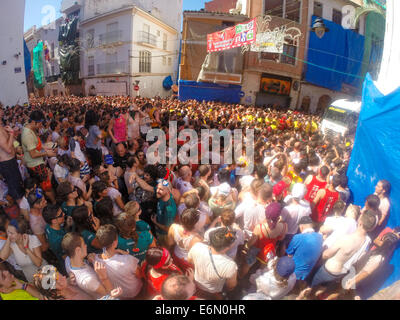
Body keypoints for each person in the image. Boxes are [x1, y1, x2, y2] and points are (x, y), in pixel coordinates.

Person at [300, 210, 376, 300]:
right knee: (323, 287)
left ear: (360, 223)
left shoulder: (346, 239)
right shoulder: (367, 241)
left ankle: (300, 297)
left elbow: (326, 255)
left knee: (309, 286)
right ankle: (314, 296)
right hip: (340, 273)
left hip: (328, 270)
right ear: (371, 228)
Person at [91, 224, 143, 299]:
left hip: (120, 295)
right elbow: (140, 274)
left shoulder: (95, 260)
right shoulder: (127, 260)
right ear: (115, 243)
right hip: (135, 292)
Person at [187, 227, 238, 300]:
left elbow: (189, 261)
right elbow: (231, 285)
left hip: (197, 284)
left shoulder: (197, 247)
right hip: (213, 291)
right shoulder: (230, 265)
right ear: (228, 247)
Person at [62, 232, 114, 299]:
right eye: (84, 244)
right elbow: (109, 294)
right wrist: (104, 277)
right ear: (78, 250)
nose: (86, 246)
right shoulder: (88, 280)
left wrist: (90, 262)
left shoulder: (68, 260)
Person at [21, 110, 57, 203]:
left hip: (36, 163)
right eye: (40, 123)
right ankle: (54, 203)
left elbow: (36, 146)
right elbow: (33, 154)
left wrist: (45, 148)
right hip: (36, 165)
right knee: (47, 187)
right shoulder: (28, 135)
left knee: (43, 185)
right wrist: (47, 153)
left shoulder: (28, 126)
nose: (41, 126)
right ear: (34, 122)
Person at [0, 217, 46, 282]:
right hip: (32, 279)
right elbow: (2, 257)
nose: (9, 235)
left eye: (12, 233)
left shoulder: (33, 239)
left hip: (45, 273)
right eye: (8, 232)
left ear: (20, 234)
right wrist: (8, 238)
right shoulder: (12, 245)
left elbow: (38, 263)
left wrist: (26, 248)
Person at [286, 216, 323, 287]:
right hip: (308, 272)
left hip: (294, 272)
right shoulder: (320, 237)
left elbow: (289, 255)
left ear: (302, 227)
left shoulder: (297, 237)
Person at [0, 107, 24, 206]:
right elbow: (8, 149)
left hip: (10, 162)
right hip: (7, 164)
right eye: (0, 109)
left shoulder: (2, 127)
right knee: (16, 191)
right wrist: (11, 133)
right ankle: (24, 212)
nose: (2, 112)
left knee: (18, 187)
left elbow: (11, 144)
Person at [42, 205, 69, 274]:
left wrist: (67, 225)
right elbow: (65, 256)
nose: (64, 214)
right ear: (54, 221)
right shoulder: (58, 240)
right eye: (61, 215)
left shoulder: (48, 226)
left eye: (62, 212)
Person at [151, 179, 177, 247]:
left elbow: (167, 228)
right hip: (159, 230)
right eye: (157, 188)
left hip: (164, 235)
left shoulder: (169, 209)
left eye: (161, 189)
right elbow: (146, 187)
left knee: (165, 250)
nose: (157, 191)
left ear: (168, 191)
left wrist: (155, 222)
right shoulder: (162, 195)